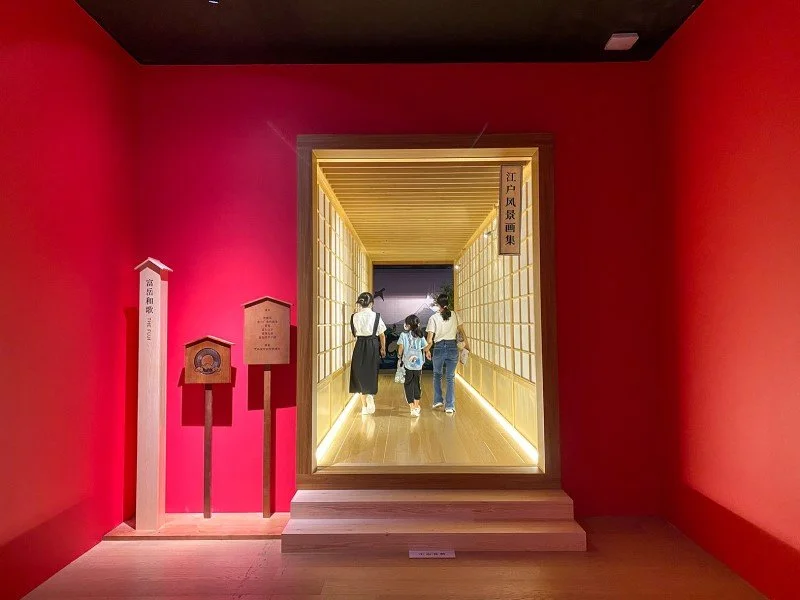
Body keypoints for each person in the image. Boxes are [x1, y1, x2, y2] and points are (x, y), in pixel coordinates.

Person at [425, 293, 470, 415]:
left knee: (437, 375)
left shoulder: (433, 318)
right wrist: (467, 344)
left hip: (439, 347)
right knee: (450, 377)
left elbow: (430, 339)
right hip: (452, 348)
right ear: (447, 303)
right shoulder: (455, 315)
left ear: (437, 304)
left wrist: (427, 350)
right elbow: (462, 331)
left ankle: (438, 400)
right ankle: (450, 406)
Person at [349, 292, 387, 415]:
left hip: (359, 344)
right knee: (371, 371)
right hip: (373, 344)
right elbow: (382, 334)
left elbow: (354, 333)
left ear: (360, 303)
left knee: (358, 373)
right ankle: (370, 394)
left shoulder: (354, 316)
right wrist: (383, 349)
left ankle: (364, 406)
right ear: (371, 303)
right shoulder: (376, 316)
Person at [397, 314, 430, 417]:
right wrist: (429, 349)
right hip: (418, 365)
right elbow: (425, 348)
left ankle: (411, 407)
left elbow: (400, 349)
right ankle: (416, 406)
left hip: (407, 364)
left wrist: (399, 356)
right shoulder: (420, 336)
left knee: (408, 384)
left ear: (407, 325)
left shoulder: (403, 335)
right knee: (417, 384)